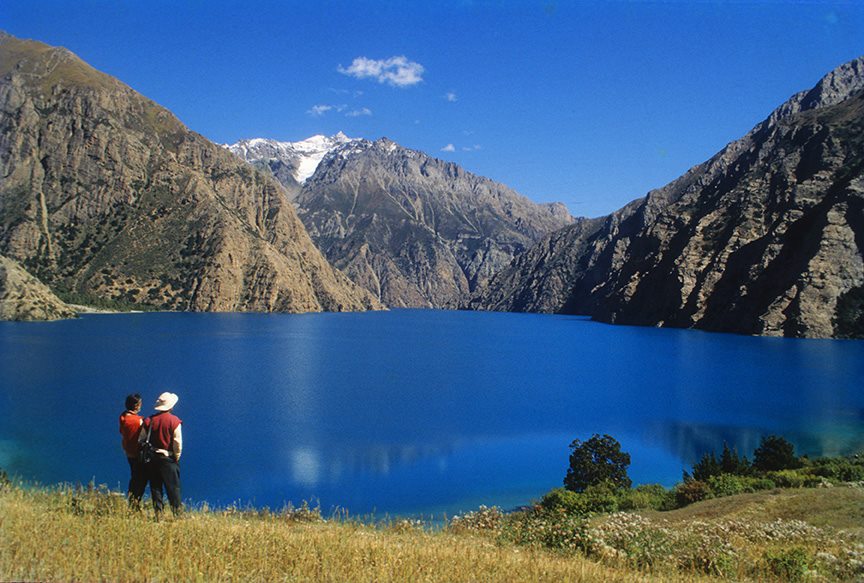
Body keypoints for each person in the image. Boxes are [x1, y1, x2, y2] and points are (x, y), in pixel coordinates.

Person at [141, 391, 183, 518]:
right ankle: (177, 515)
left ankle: (159, 514)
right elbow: (177, 443)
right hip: (168, 457)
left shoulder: (149, 420)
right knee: (173, 488)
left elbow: (141, 439)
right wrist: (176, 457)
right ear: (171, 406)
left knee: (155, 487)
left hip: (152, 458)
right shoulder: (174, 421)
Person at [119, 393, 146, 508]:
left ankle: (132, 501)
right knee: (140, 479)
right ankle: (135, 504)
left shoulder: (123, 417)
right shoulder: (138, 421)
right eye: (140, 404)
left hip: (128, 452)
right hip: (137, 453)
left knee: (134, 477)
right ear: (136, 406)